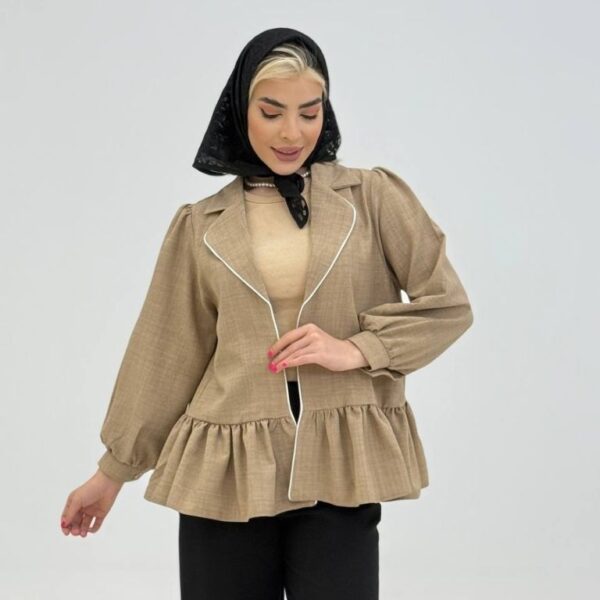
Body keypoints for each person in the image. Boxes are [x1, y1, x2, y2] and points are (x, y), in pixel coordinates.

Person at [60, 27, 474, 600]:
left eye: (309, 112)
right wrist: (111, 474)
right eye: (271, 112)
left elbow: (446, 305)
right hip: (227, 471)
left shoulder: (373, 199)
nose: (291, 133)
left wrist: (357, 349)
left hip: (339, 466)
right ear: (240, 110)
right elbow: (166, 352)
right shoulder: (201, 225)